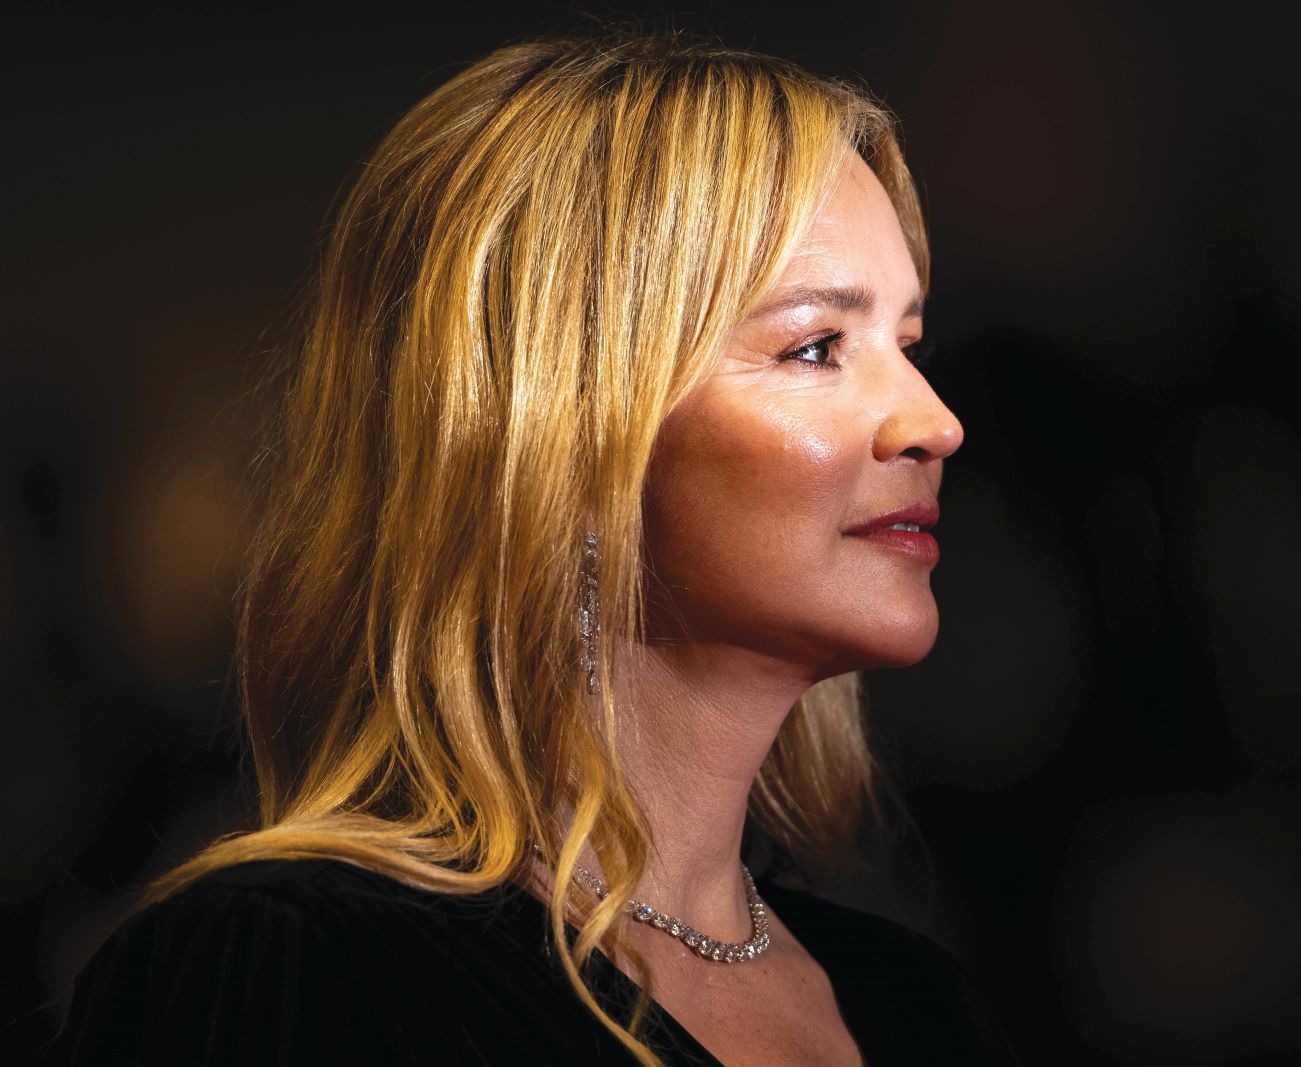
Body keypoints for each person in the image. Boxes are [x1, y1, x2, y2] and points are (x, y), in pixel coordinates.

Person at [43, 28, 1012, 1067]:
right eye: (816, 345)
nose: (934, 420)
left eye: (906, 346)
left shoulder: (912, 1003)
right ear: (562, 435)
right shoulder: (287, 967)